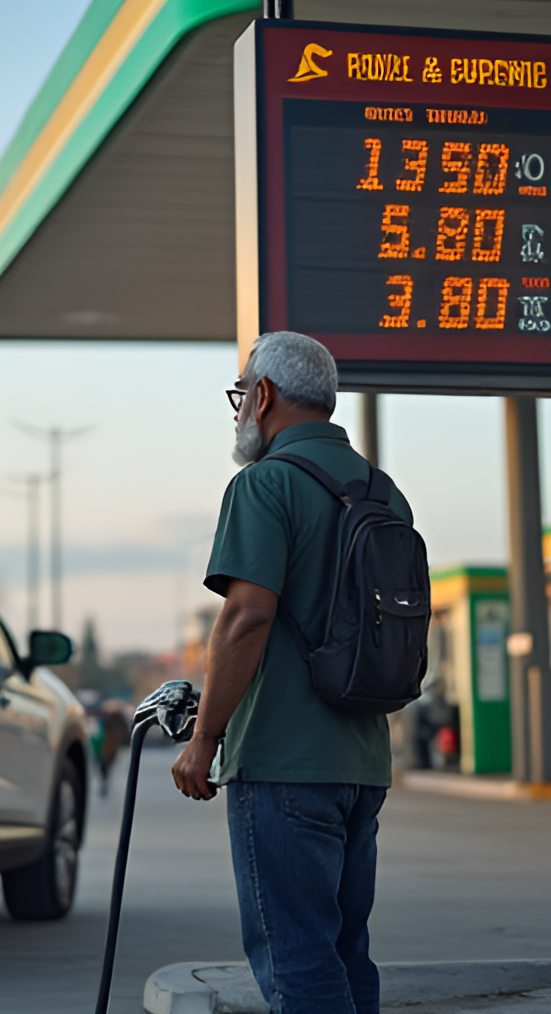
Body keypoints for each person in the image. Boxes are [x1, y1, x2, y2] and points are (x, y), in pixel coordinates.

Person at [171, 331, 413, 1014]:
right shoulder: (383, 491)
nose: (239, 409)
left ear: (264, 395)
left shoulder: (265, 484)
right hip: (362, 762)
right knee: (343, 952)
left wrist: (204, 741)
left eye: (240, 395)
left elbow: (246, 619)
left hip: (282, 764)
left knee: (296, 962)